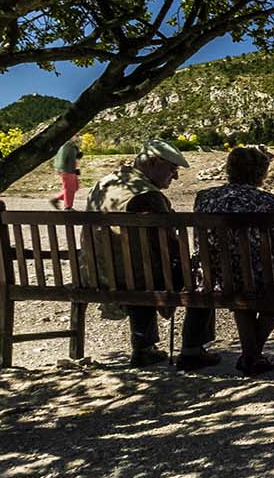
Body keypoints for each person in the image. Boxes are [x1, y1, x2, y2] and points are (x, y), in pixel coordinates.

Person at [85, 138, 217, 368]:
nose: (176, 177)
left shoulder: (103, 184)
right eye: (172, 169)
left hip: (99, 272)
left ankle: (144, 348)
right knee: (205, 276)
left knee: (139, 265)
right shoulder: (147, 196)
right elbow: (169, 243)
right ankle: (192, 349)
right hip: (137, 277)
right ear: (154, 162)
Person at [193, 145, 274, 376]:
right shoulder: (271, 202)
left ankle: (251, 355)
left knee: (242, 289)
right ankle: (251, 355)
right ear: (261, 173)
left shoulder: (204, 197)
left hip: (215, 276)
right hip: (257, 277)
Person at [50, 133, 83, 210]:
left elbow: (76, 159)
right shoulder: (66, 145)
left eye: (78, 135)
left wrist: (77, 169)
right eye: (76, 135)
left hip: (72, 169)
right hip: (67, 170)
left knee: (75, 187)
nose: (78, 137)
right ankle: (68, 207)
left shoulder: (73, 145)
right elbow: (61, 157)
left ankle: (56, 199)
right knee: (69, 189)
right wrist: (60, 169)